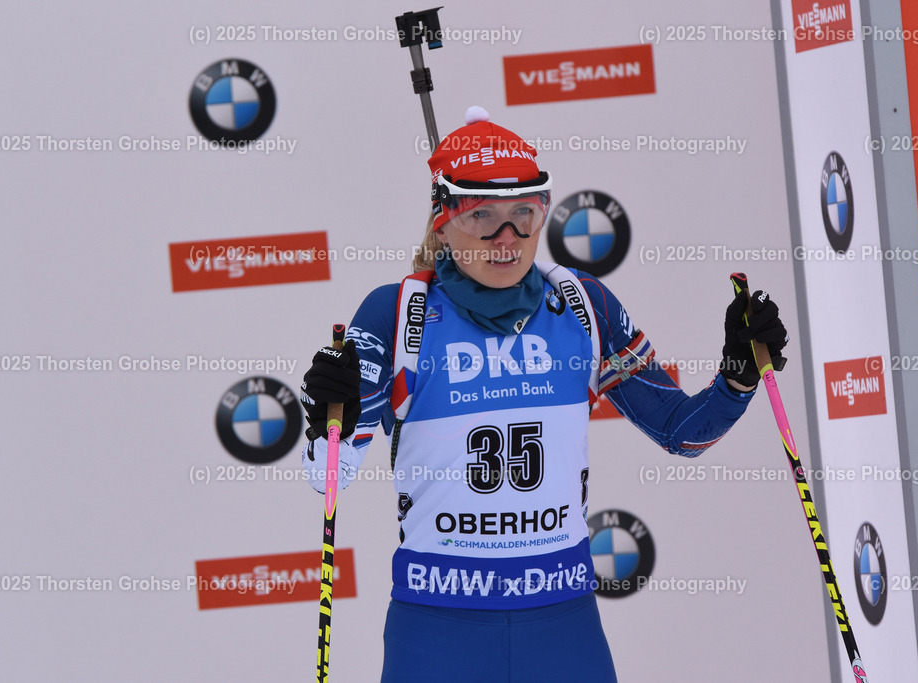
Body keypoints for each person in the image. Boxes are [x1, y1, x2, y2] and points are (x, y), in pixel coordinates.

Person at [299, 107, 788, 682]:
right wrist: (328, 413)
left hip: (563, 626)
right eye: (482, 216)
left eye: (524, 215)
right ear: (442, 220)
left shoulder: (581, 304)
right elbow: (328, 472)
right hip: (437, 629)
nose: (506, 238)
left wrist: (737, 375)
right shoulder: (399, 312)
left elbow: (683, 433)